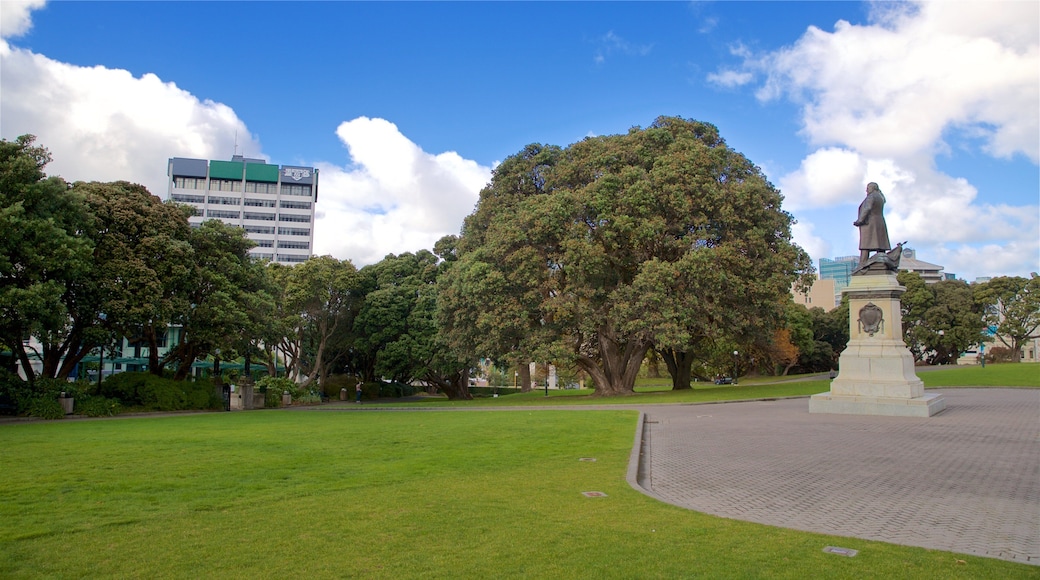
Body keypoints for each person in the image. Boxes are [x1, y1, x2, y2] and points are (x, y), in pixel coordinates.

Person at [853, 182, 891, 265]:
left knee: (865, 246)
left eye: (868, 187)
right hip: (880, 222)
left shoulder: (871, 196)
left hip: (870, 224)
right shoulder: (880, 197)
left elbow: (867, 208)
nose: (866, 190)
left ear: (873, 188)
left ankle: (862, 264)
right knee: (881, 245)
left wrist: (860, 220)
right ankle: (883, 263)